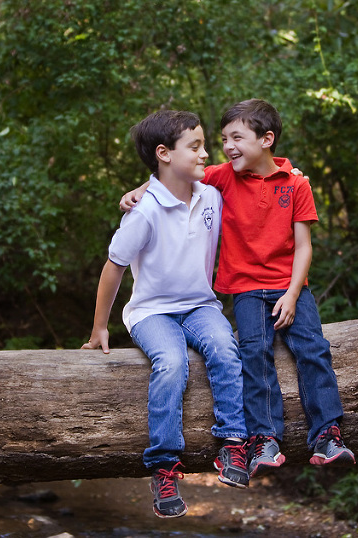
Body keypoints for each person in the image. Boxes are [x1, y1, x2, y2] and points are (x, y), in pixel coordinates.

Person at [120, 99, 355, 479]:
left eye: (236, 138)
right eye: (224, 138)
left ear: (266, 140)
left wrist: (293, 294)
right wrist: (138, 190)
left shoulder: (296, 184)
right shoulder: (224, 176)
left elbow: (305, 245)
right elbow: (173, 173)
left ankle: (328, 435)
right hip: (246, 290)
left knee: (314, 351)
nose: (227, 146)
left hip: (291, 288)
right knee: (254, 356)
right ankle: (264, 439)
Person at [82, 110, 249, 519]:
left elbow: (252, 170)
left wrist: (289, 172)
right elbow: (114, 267)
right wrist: (100, 326)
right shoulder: (143, 212)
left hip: (199, 305)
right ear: (164, 153)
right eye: (195, 147)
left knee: (227, 349)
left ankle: (232, 444)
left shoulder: (210, 192)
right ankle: (164, 465)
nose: (206, 153)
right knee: (172, 362)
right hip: (151, 312)